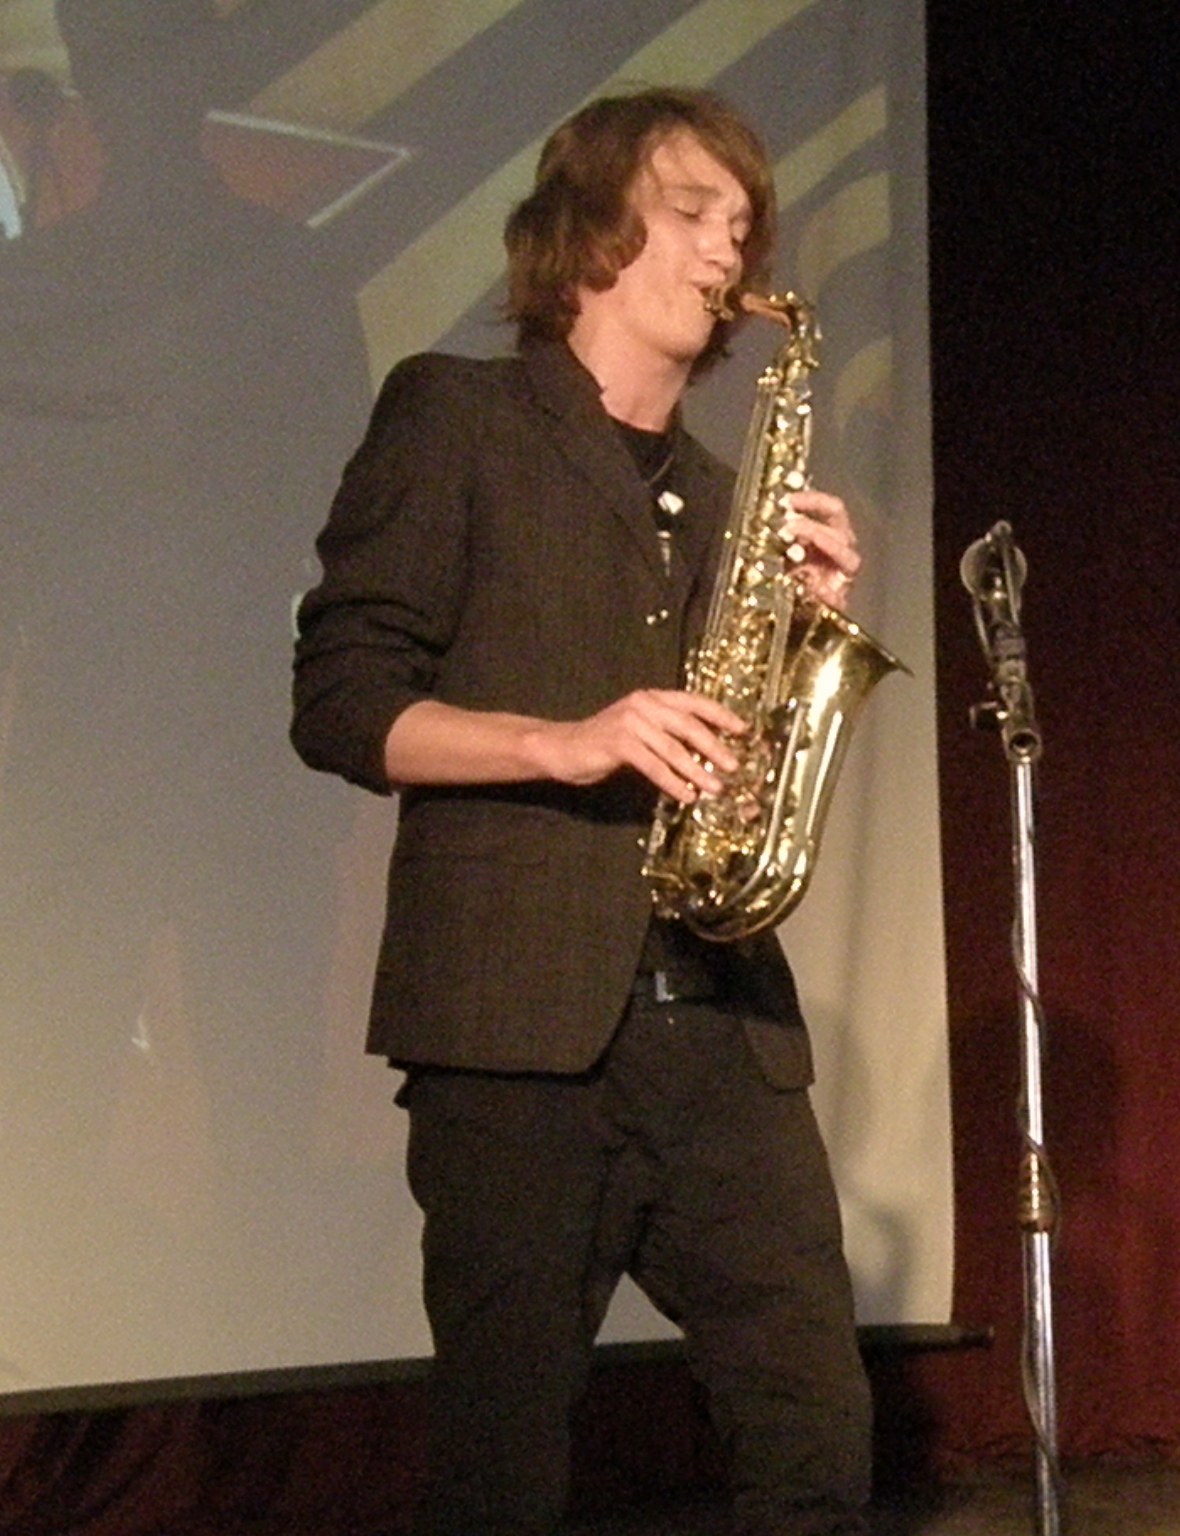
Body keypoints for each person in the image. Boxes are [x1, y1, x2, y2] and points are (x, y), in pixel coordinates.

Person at [290, 88, 872, 1536]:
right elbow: (342, 703)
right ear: (590, 230)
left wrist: (801, 639)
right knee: (503, 1468)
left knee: (814, 1434)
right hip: (515, 1043)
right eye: (691, 212)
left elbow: (734, 768)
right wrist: (562, 742)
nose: (727, 248)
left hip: (722, 1030)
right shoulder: (457, 413)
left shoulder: (734, 499)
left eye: (742, 224)